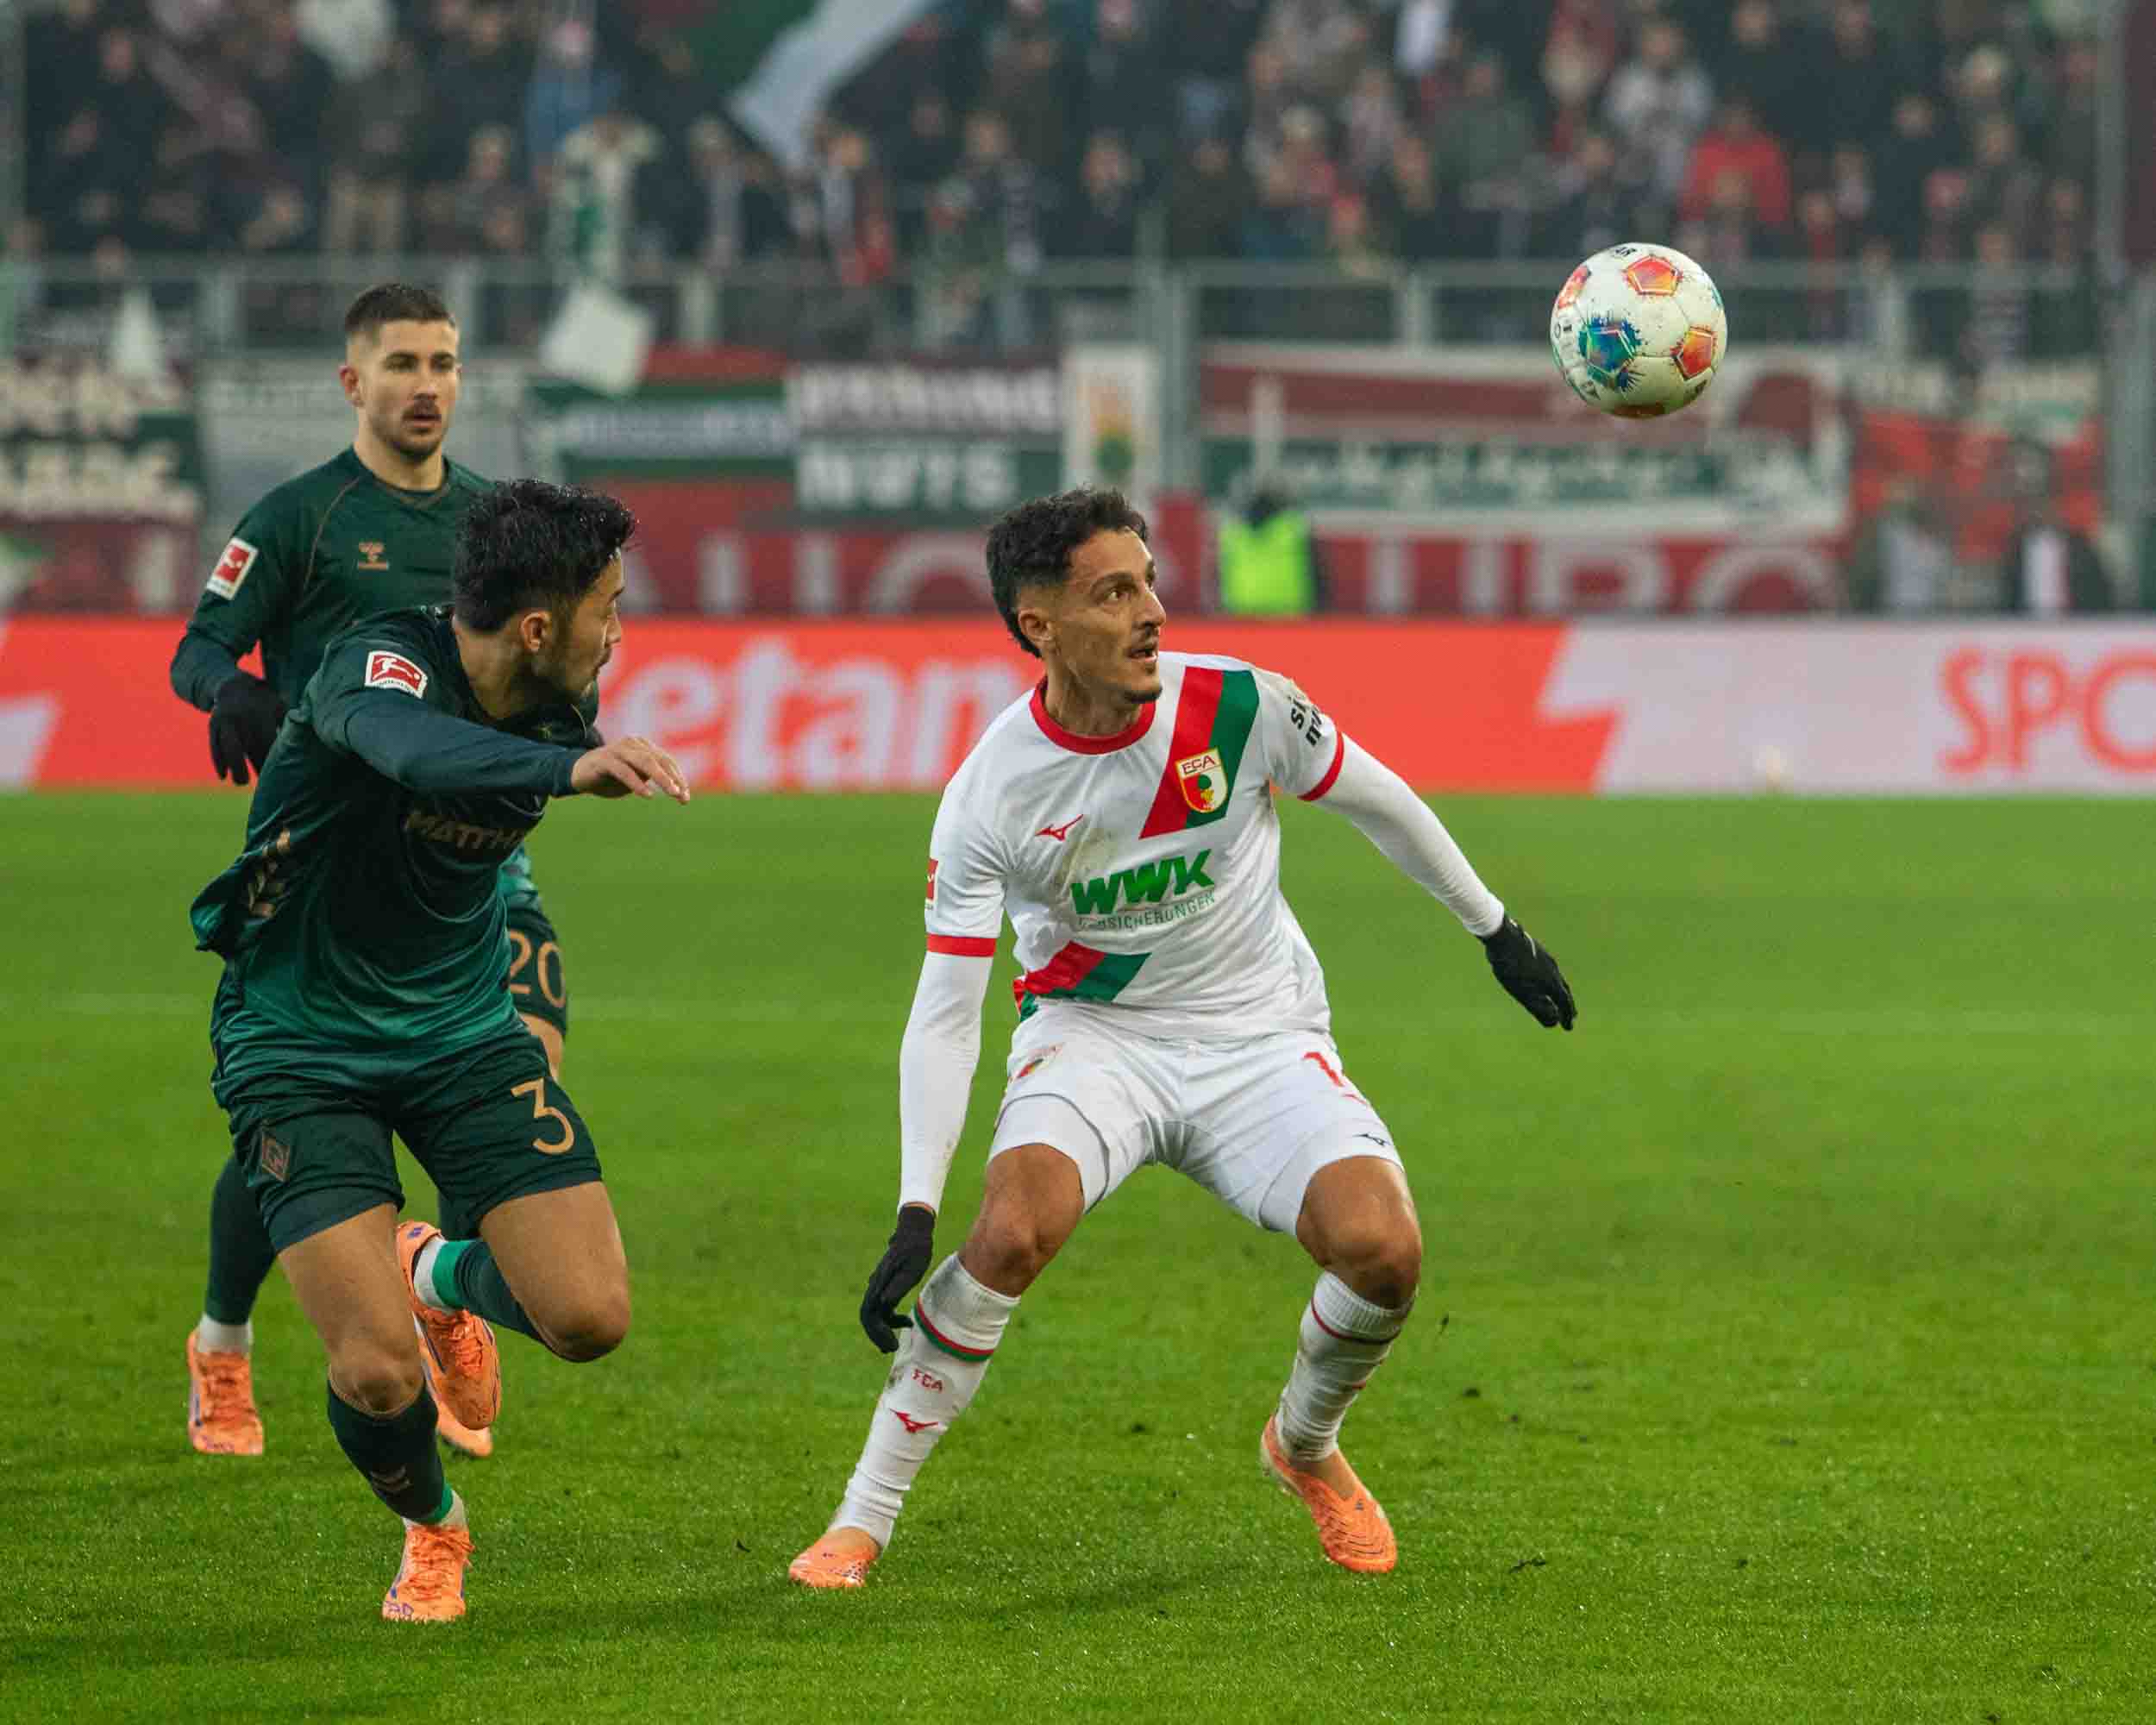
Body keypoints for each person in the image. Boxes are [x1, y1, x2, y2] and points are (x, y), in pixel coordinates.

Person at [788, 486, 1576, 1590]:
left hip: (1258, 1033)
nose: (1152, 611)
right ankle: (861, 1519)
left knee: (1385, 1252)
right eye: (1114, 593)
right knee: (1009, 1233)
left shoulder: (1241, 706)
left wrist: (1494, 929)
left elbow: (1380, 798)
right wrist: (918, 1206)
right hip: (1093, 1037)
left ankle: (1303, 1441)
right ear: (1039, 624)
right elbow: (947, 1005)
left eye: (1149, 581)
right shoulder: (989, 794)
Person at [189, 479, 689, 1622]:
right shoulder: (378, 667)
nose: (619, 631)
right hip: (298, 1042)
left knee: (590, 1319)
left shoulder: (562, 699)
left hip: (462, 1032)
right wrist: (570, 769)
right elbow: (411, 751)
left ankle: (431, 1270)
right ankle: (434, 1524)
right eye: (608, 607)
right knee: (375, 1370)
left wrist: (572, 754)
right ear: (537, 626)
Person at [171, 283, 567, 1462]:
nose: (426, 384)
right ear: (354, 382)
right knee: (300, 1127)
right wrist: (231, 689)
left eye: (443, 362)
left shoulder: (495, 525)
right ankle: (222, 1340)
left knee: (525, 1069)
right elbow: (200, 644)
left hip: (472, 860)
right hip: (329, 876)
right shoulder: (303, 517)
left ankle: (441, 1289)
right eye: (402, 363)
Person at [1217, 483, 1324, 615]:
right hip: (1290, 610)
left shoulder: (1232, 534)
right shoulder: (1294, 529)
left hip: (1243, 609)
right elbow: (1316, 572)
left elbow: (1220, 576)